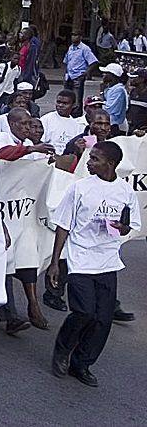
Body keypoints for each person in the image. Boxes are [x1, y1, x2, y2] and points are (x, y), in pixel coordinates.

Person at [49, 141, 141, 387]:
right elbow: (63, 225)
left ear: (110, 164)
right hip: (80, 259)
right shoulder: (79, 188)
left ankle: (82, 364)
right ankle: (62, 350)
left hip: (108, 261)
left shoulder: (125, 191)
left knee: (103, 319)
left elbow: (131, 225)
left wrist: (123, 228)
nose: (89, 163)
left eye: (94, 159)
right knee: (84, 312)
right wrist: (55, 262)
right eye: (90, 158)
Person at [40, 90, 86, 155]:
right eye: (58, 102)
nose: (60, 105)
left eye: (65, 103)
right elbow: (40, 142)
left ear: (74, 105)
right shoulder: (46, 119)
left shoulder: (77, 125)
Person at [63, 32, 98, 103]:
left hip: (78, 77)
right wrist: (65, 74)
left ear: (80, 37)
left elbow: (94, 62)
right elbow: (66, 61)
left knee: (76, 99)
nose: (73, 37)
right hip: (69, 77)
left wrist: (85, 73)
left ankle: (77, 113)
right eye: (72, 35)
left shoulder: (84, 48)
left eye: (75, 35)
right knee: (67, 99)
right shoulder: (71, 48)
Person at [100, 63, 127, 135]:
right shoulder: (110, 88)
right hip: (109, 123)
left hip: (115, 125)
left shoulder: (119, 90)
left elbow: (110, 108)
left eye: (106, 73)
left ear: (113, 75)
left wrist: (101, 102)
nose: (103, 75)